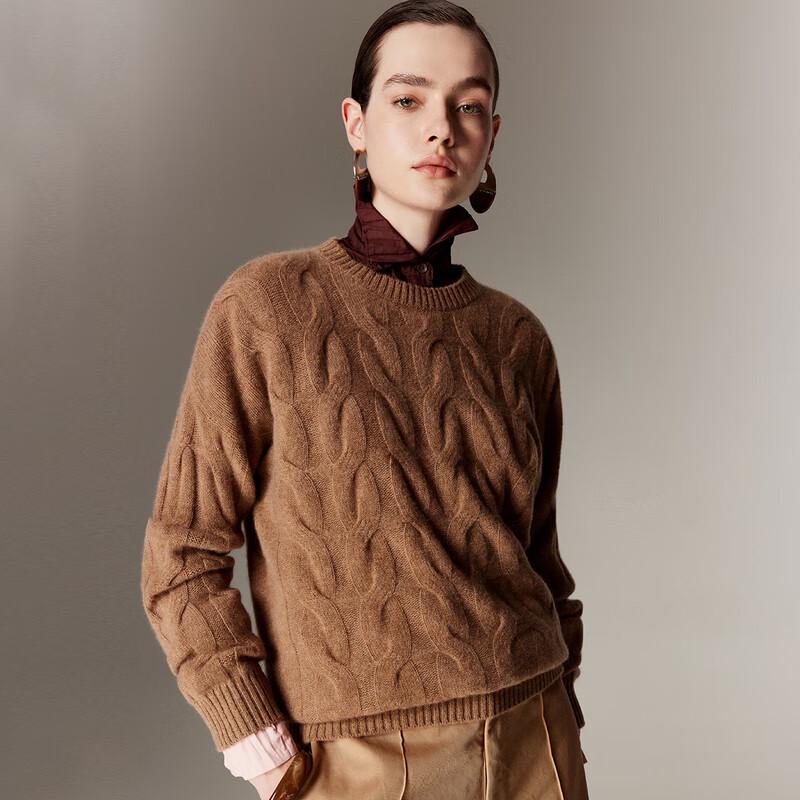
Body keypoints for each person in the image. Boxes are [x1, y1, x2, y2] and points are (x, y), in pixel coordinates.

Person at [140, 2, 588, 798]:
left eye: (468, 106)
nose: (441, 128)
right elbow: (181, 558)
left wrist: (566, 718)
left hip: (536, 734)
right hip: (360, 759)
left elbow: (541, 563)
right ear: (356, 122)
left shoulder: (518, 339)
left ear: (491, 136)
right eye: (408, 99)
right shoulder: (267, 307)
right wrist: (261, 750)